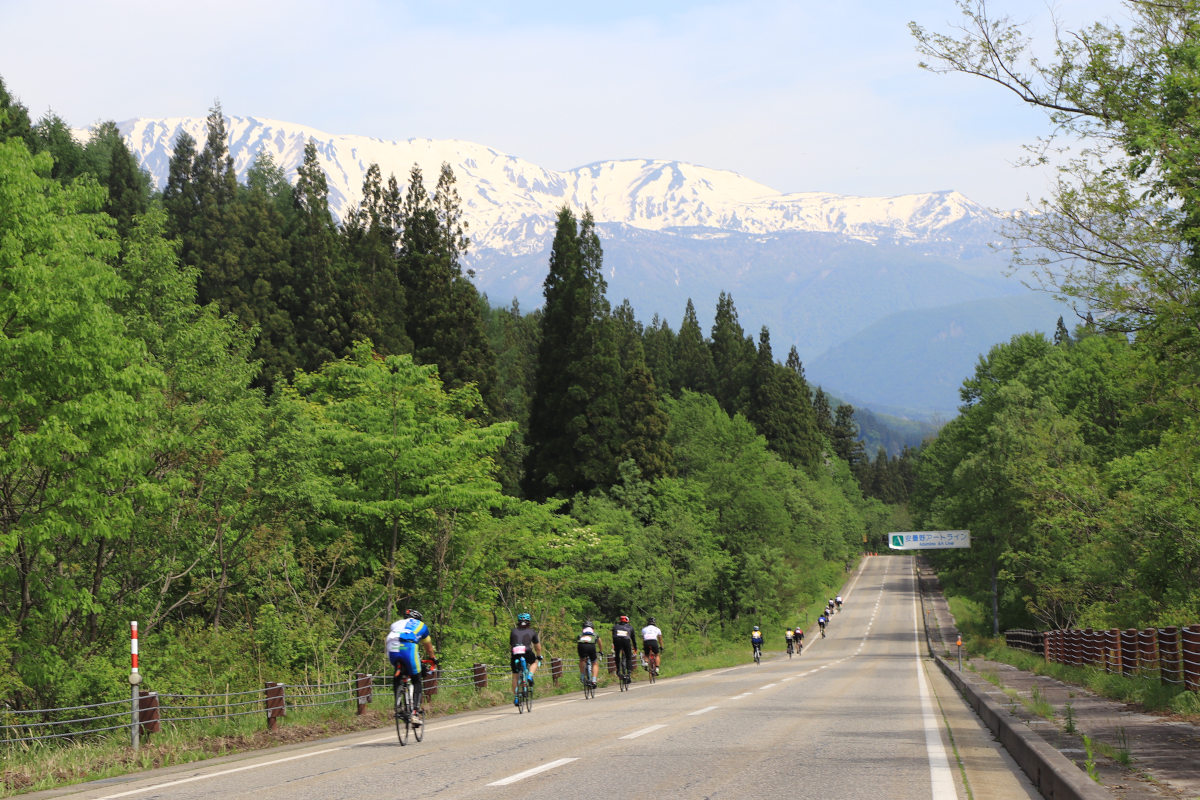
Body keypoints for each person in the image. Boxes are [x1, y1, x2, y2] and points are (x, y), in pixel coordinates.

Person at [385, 609, 437, 727]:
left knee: (398, 672)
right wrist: (433, 658)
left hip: (391, 645)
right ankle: (414, 713)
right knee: (416, 679)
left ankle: (398, 703)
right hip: (408, 645)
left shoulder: (396, 624)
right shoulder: (422, 626)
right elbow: (428, 647)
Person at [510, 612, 543, 704]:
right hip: (527, 651)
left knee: (515, 676)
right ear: (529, 622)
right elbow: (538, 647)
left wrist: (512, 656)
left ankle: (516, 697)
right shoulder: (532, 632)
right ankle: (529, 676)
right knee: (534, 662)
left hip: (515, 652)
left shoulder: (513, 631)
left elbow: (511, 645)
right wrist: (539, 656)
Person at [577, 620, 604, 688]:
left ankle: (582, 676)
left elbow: (578, 642)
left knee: (582, 660)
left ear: (583, 628)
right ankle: (594, 680)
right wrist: (600, 651)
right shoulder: (595, 634)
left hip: (581, 646)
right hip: (591, 646)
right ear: (592, 628)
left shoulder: (580, 635)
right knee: (594, 663)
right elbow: (600, 642)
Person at [612, 614, 635, 679]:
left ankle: (618, 670)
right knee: (628, 657)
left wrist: (614, 645)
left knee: (617, 655)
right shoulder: (630, 627)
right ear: (627, 621)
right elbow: (633, 639)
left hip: (617, 641)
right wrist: (635, 647)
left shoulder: (615, 627)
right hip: (626, 641)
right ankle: (629, 672)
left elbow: (613, 637)